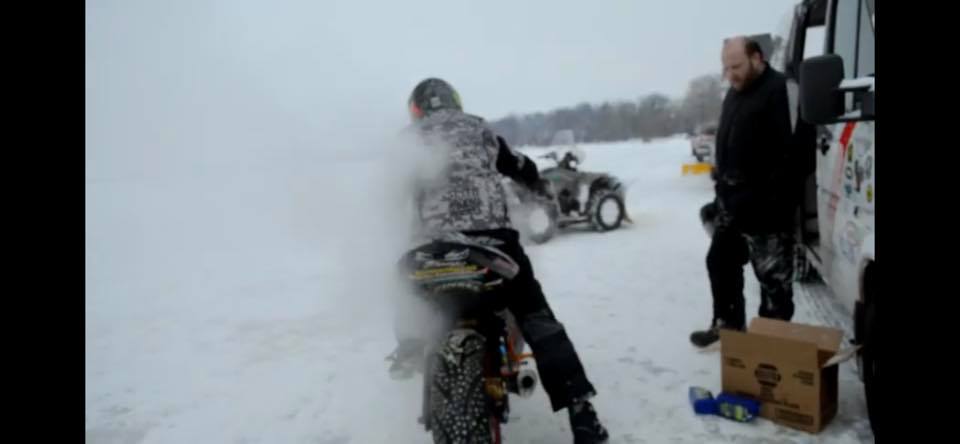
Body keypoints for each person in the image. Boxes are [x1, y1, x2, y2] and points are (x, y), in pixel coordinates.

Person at [395, 77, 609, 443]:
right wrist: (537, 186)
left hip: (431, 249)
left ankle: (408, 346)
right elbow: (522, 168)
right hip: (494, 246)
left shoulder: (408, 141)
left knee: (401, 286)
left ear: (415, 109)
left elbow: (390, 192)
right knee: (536, 315)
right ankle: (580, 411)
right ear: (455, 101)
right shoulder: (480, 130)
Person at [690, 37, 810, 348]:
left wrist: (769, 199)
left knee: (772, 284)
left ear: (757, 58)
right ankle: (729, 325)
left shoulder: (782, 90)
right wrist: (721, 189)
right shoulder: (735, 92)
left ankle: (769, 347)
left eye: (737, 66)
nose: (730, 74)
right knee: (720, 262)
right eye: (726, 68)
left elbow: (798, 154)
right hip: (732, 205)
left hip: (767, 210)